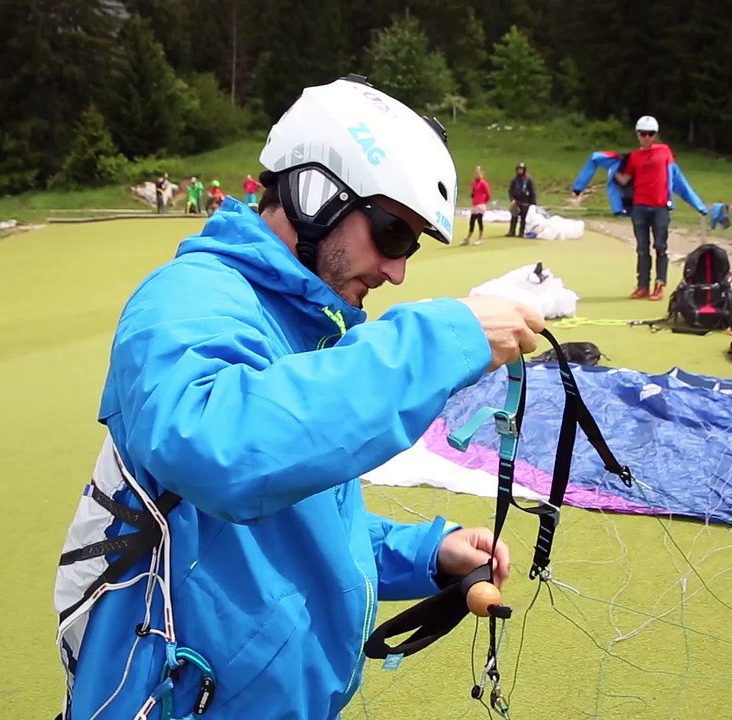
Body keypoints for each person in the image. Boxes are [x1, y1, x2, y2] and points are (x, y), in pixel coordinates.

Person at [52, 74, 545, 720]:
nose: (399, 270)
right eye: (393, 234)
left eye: (411, 246)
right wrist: (445, 334)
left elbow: (294, 527)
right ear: (316, 196)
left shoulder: (310, 329)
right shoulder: (186, 298)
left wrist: (425, 553)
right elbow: (219, 448)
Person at [615, 116, 674, 300]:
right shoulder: (634, 156)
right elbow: (625, 179)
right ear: (638, 135)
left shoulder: (665, 150)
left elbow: (673, 173)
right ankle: (642, 286)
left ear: (655, 135)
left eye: (650, 134)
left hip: (660, 207)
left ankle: (660, 285)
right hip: (639, 206)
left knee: (660, 246)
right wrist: (611, 170)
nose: (647, 137)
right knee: (642, 248)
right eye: (643, 134)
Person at [463, 165, 491, 245]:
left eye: (478, 173)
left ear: (481, 173)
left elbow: (488, 195)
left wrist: (484, 202)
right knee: (472, 222)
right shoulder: (474, 183)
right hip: (475, 205)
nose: (476, 174)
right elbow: (474, 192)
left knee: (479, 220)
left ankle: (479, 238)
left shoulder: (483, 183)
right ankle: (467, 238)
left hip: (481, 205)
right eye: (475, 173)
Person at [506, 162, 536, 237]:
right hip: (516, 201)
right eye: (519, 169)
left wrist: (532, 203)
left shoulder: (528, 179)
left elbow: (532, 191)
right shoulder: (514, 180)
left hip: (525, 202)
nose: (520, 171)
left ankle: (521, 232)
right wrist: (512, 199)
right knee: (514, 216)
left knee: (523, 218)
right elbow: (510, 190)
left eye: (521, 169)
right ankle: (512, 231)